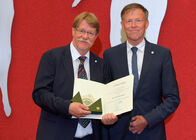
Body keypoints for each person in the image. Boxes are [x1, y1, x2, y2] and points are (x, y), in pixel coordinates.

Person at [32, 12, 117, 140]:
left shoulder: (101, 65)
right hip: (57, 135)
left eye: (90, 33)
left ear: (96, 36)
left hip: (91, 136)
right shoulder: (52, 57)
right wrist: (68, 107)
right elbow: (40, 94)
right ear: (73, 30)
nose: (85, 36)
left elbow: (106, 101)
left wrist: (108, 117)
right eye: (81, 31)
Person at [103, 3, 180, 140]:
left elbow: (172, 98)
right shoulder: (110, 55)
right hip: (118, 133)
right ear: (122, 25)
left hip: (152, 133)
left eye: (138, 20)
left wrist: (147, 119)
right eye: (129, 21)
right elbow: (105, 94)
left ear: (147, 23)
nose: (133, 25)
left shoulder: (162, 54)